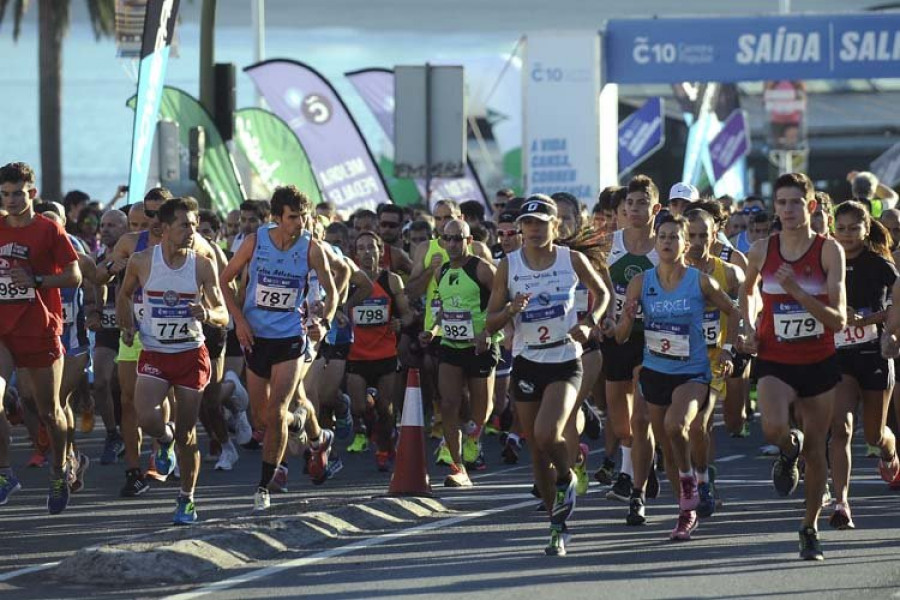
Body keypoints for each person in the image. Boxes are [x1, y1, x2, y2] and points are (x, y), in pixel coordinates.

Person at [485, 195, 610, 557]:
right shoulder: (508, 266)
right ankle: (557, 526)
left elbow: (602, 294)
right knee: (537, 453)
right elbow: (491, 320)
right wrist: (511, 309)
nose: (534, 229)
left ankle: (567, 475)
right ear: (520, 228)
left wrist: (589, 323)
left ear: (555, 226)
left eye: (542, 223)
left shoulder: (572, 259)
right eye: (528, 224)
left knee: (546, 432)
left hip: (565, 361)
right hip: (527, 361)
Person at [738, 172, 847, 561]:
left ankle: (809, 526)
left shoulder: (828, 251)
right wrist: (748, 326)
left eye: (794, 203)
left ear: (811, 206)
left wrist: (798, 292)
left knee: (817, 450)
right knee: (773, 426)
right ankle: (787, 449)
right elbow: (747, 291)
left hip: (818, 360)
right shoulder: (762, 250)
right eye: (781, 203)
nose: (786, 210)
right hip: (774, 358)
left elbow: (839, 320)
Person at [615, 214, 736, 539]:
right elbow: (621, 336)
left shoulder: (700, 281)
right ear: (656, 242)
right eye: (663, 236)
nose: (667, 242)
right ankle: (686, 511)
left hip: (693, 373)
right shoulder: (641, 282)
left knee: (676, 425)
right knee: (667, 447)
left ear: (686, 244)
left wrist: (727, 349)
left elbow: (734, 311)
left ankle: (692, 480)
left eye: (674, 237)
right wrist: (625, 319)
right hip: (656, 371)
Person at [219, 186, 338, 511]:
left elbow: (332, 291)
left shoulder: (311, 248)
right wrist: (239, 320)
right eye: (292, 218)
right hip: (256, 338)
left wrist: (324, 320)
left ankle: (264, 485)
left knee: (275, 411)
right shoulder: (255, 242)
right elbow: (224, 279)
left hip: (291, 338)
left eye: (303, 217)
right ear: (276, 218)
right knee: (261, 419)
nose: (298, 223)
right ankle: (304, 426)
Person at [117, 197, 228, 524]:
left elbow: (223, 313)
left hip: (190, 355)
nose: (191, 231)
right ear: (163, 229)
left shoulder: (202, 264)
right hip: (154, 351)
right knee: (146, 419)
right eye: (184, 225)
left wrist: (207, 313)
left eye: (194, 225)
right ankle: (161, 441)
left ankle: (186, 498)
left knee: (187, 434)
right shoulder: (141, 261)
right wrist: (126, 326)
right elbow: (124, 295)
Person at [0, 162, 81, 512]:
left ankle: (61, 468)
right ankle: (5, 473)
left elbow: (75, 276)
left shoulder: (49, 231)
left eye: (18, 193)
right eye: (5, 194)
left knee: (50, 411)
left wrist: (36, 281)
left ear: (31, 192)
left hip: (40, 329)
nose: (12, 200)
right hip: (3, 331)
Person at [828, 200, 899, 528]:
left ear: (865, 229)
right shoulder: (828, 259)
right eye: (840, 228)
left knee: (873, 435)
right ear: (832, 228)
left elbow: (896, 302)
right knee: (840, 428)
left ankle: (890, 452)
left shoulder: (878, 263)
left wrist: (872, 322)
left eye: (853, 228)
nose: (846, 235)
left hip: (874, 355)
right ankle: (841, 502)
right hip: (839, 357)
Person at [599, 175, 661, 505]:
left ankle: (628, 477)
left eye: (642, 203)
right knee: (620, 420)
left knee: (641, 414)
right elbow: (594, 288)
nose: (635, 209)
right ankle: (641, 462)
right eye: (631, 203)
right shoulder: (610, 243)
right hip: (614, 338)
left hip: (649, 339)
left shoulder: (663, 247)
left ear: (656, 208)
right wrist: (600, 315)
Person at [425, 220, 499, 486]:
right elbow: (443, 308)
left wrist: (488, 332)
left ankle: (473, 437)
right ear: (442, 241)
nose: (453, 244)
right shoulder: (441, 271)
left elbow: (500, 299)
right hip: (452, 345)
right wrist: (433, 330)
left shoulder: (482, 269)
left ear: (469, 241)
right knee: (448, 404)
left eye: (458, 238)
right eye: (448, 239)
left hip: (480, 346)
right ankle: (459, 467)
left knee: (482, 409)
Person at [345, 231, 412, 471]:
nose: (366, 253)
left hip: (385, 354)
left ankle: (385, 449)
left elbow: (407, 313)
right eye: (361, 248)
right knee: (359, 407)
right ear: (355, 254)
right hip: (357, 354)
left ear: (380, 251)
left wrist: (401, 323)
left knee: (386, 407)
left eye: (370, 248)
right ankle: (374, 428)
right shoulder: (349, 281)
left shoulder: (391, 280)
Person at [88, 208, 129, 464]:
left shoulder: (137, 256)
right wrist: (94, 312)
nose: (105, 229)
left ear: (126, 231)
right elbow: (93, 292)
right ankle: (112, 434)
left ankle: (132, 432)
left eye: (112, 225)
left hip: (132, 328)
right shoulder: (97, 259)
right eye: (103, 224)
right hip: (107, 328)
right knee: (101, 381)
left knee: (121, 384)